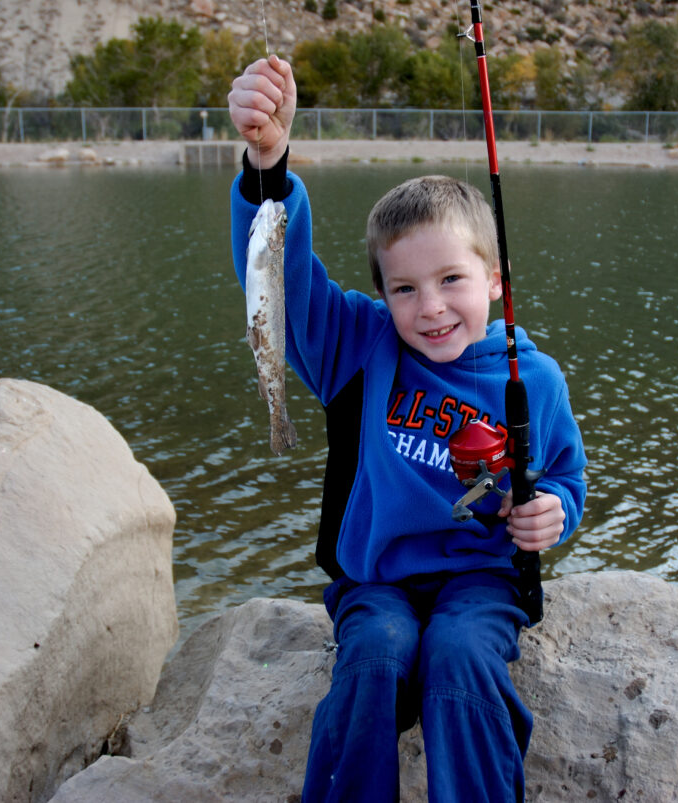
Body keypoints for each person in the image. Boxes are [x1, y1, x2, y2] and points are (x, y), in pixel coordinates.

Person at [228, 55, 587, 802]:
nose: (430, 307)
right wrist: (268, 160)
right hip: (378, 581)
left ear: (495, 278)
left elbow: (563, 478)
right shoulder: (359, 347)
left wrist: (553, 510)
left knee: (460, 661)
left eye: (453, 279)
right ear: (380, 293)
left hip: (482, 582)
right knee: (374, 656)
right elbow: (278, 274)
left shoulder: (535, 379)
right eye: (404, 288)